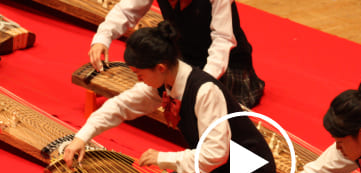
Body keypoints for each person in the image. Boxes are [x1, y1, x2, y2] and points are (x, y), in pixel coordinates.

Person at [64, 21, 277, 173]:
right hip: (218, 166)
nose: (139, 80)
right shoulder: (165, 82)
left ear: (160, 68)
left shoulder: (205, 91)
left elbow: (216, 154)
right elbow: (120, 106)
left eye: (140, 75)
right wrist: (82, 137)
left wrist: (162, 158)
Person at [89, 0, 265, 108]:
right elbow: (127, 10)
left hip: (227, 63)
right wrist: (102, 37)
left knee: (206, 103)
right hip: (183, 56)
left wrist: (200, 81)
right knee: (152, 73)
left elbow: (223, 40)